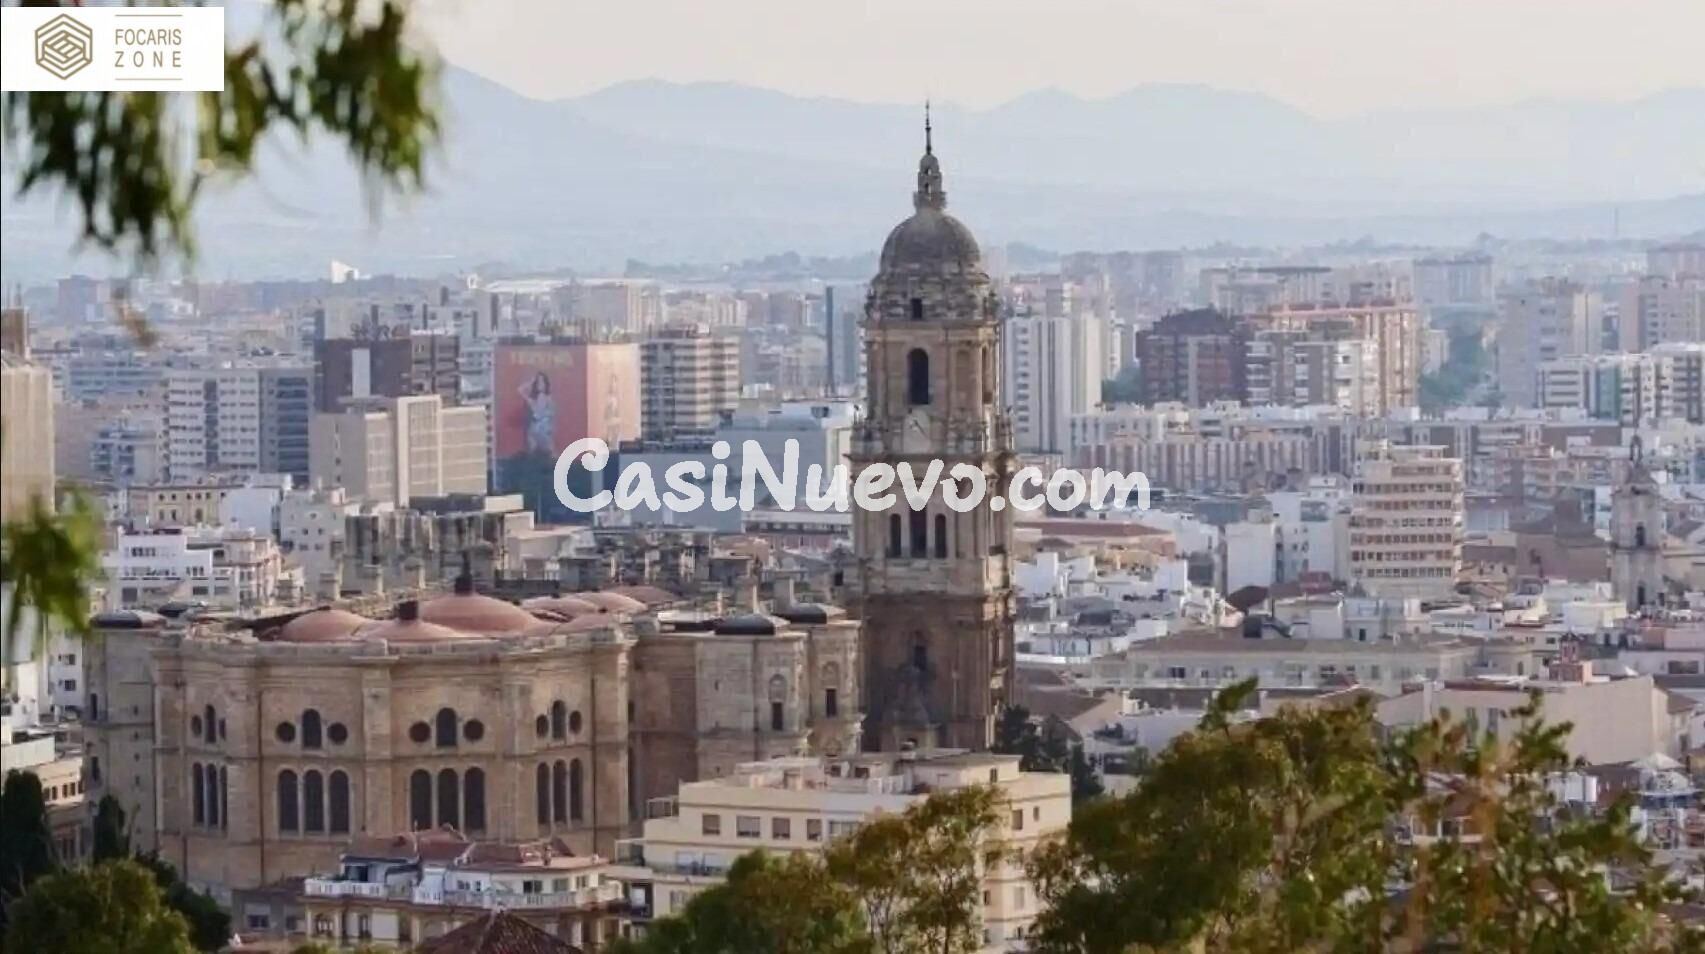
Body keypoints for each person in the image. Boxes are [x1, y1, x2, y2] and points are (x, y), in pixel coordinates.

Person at [521, 371, 556, 453]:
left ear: (545, 383)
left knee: (549, 452)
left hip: (545, 428)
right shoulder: (533, 400)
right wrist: (531, 381)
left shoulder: (548, 398)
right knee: (532, 451)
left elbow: (552, 416)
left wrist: (550, 428)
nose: (540, 384)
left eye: (542, 382)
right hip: (534, 428)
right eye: (538, 382)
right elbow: (520, 390)